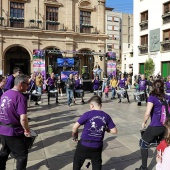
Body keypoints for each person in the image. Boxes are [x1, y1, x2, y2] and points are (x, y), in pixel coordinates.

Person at [72, 95, 117, 170]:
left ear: (92, 105)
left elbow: (74, 127)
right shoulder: (106, 116)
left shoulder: (87, 114)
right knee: (97, 164)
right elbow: (114, 131)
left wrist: (75, 136)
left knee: (77, 161)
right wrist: (106, 129)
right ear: (101, 105)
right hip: (97, 146)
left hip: (84, 144)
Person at [0, 75, 31, 170]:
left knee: (4, 152)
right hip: (14, 132)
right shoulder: (20, 97)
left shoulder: (5, 93)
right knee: (22, 156)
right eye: (27, 84)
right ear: (21, 84)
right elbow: (23, 118)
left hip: (2, 129)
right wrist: (27, 130)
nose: (28, 87)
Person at [135, 80, 167, 170]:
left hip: (155, 125)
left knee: (143, 143)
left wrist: (144, 122)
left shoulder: (152, 97)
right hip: (165, 126)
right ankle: (163, 165)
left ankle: (144, 167)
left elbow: (147, 113)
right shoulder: (166, 96)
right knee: (162, 144)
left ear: (153, 87)